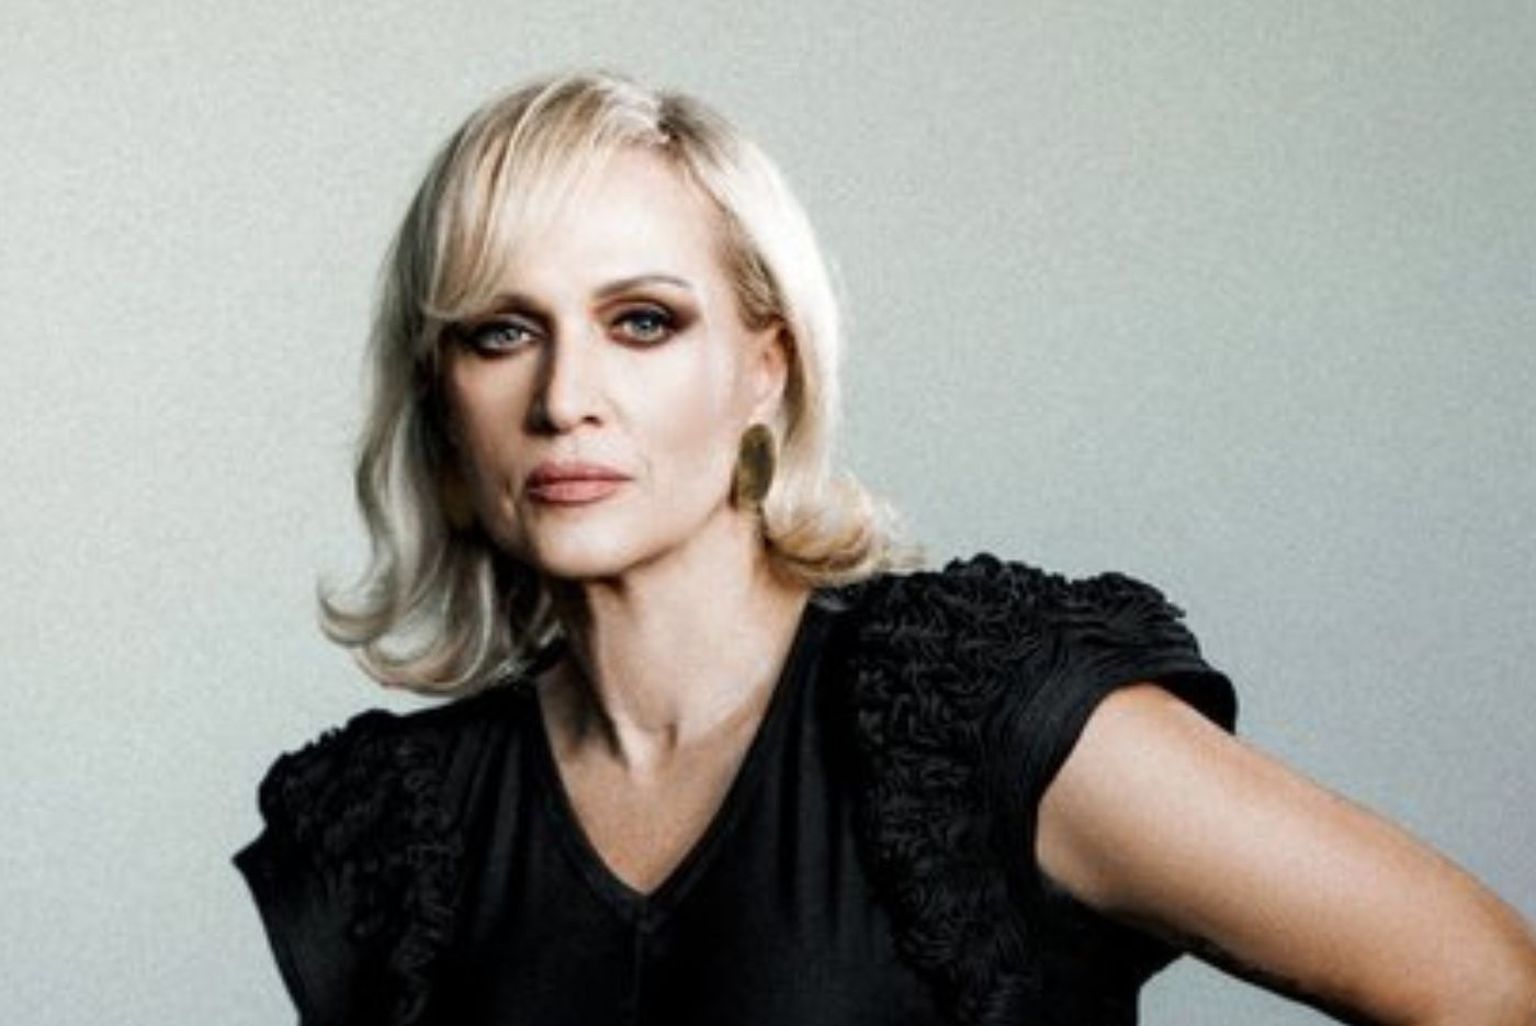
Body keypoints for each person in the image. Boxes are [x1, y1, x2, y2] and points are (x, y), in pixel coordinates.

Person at [234, 70, 1536, 1026]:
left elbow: (1487, 986)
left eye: (642, 322)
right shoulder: (396, 829)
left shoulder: (967, 714)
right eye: (502, 332)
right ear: (443, 399)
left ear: (765, 367)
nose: (566, 395)